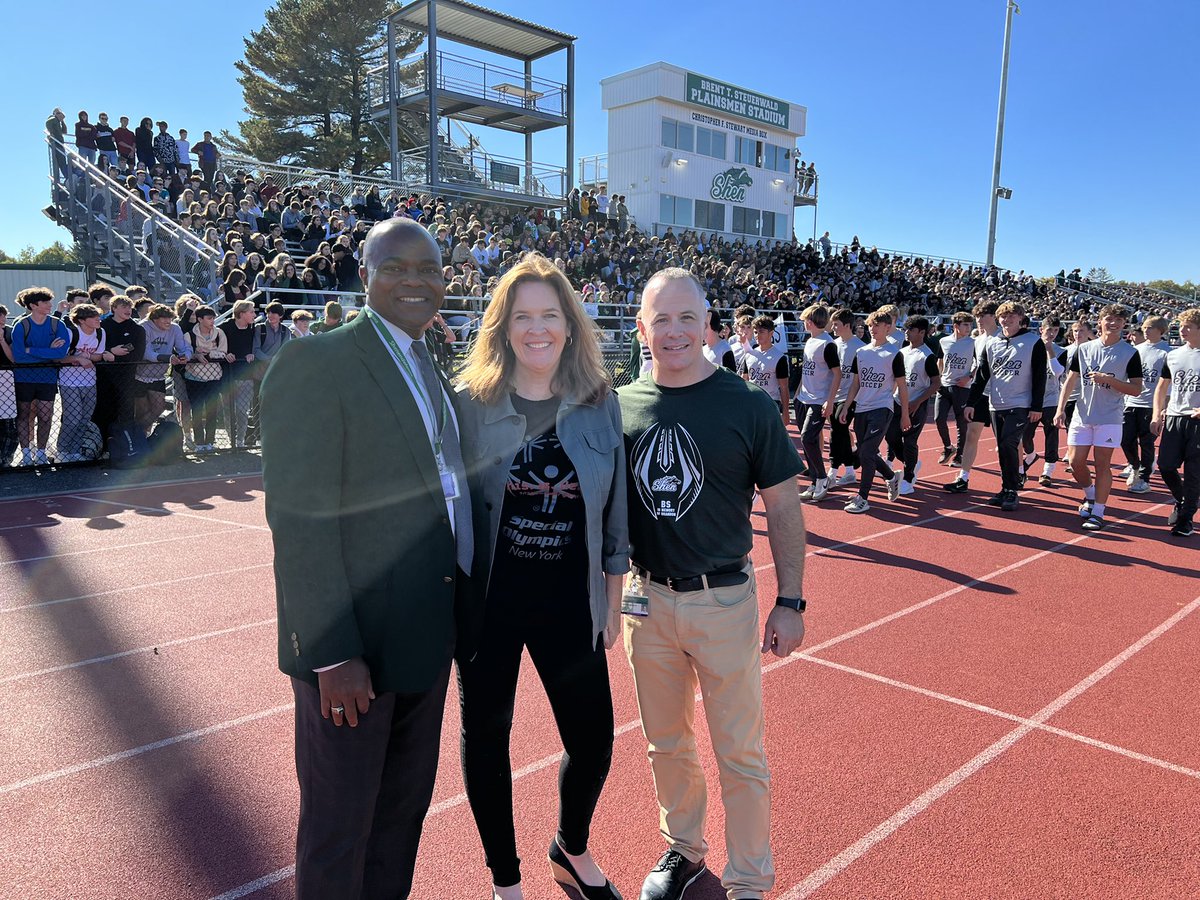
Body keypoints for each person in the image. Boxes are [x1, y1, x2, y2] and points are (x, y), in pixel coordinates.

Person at [259, 217, 482, 900]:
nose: (414, 280)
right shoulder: (317, 362)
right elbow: (299, 520)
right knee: (338, 829)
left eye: (428, 268)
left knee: (398, 819)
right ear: (363, 276)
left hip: (424, 634)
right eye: (396, 267)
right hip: (354, 650)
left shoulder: (427, 362)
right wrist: (331, 653)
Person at [618, 268, 807, 900]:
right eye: (660, 320)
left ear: (707, 323)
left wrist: (789, 601)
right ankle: (684, 849)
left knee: (739, 752)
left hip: (722, 599)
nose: (673, 331)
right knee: (664, 743)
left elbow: (783, 506)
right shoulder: (621, 406)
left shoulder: (746, 405)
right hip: (645, 602)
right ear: (641, 328)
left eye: (685, 317)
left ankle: (750, 879)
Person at [455, 254, 627, 900]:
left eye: (549, 316)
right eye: (522, 315)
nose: (537, 329)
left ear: (569, 325)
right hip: (488, 606)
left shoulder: (598, 404)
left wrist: (611, 601)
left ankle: (570, 847)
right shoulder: (470, 403)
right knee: (488, 741)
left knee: (594, 742)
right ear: (502, 326)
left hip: (569, 604)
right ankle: (506, 883)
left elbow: (616, 517)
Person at [1054, 305, 1143, 531]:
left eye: (1119, 320)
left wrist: (1109, 380)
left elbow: (1136, 389)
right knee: (1075, 462)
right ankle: (1090, 494)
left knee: (1102, 464)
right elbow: (1070, 380)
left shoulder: (1130, 353)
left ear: (1124, 325)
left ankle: (1099, 512)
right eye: (1109, 319)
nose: (1113, 323)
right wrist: (1060, 408)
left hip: (1109, 417)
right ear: (1100, 322)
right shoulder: (1084, 349)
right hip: (1082, 415)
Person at [966, 303, 1047, 512]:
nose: (1007, 320)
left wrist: (1037, 406)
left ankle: (1012, 490)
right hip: (996, 403)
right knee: (1002, 447)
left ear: (1021, 318)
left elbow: (1040, 377)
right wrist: (971, 402)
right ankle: (1005, 488)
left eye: (1012, 316)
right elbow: (982, 375)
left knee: (1008, 444)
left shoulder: (1033, 342)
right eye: (1003, 316)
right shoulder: (992, 343)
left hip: (1021, 403)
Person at [839, 309, 910, 513]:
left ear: (888, 328)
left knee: (868, 451)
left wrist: (904, 414)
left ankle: (863, 497)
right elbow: (855, 383)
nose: (872, 329)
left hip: (882, 408)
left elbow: (902, 387)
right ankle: (890, 476)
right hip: (861, 408)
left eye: (877, 325)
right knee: (864, 452)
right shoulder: (861, 352)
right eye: (870, 325)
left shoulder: (894, 354)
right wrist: (846, 406)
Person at [1151, 307, 1200, 537]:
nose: (1182, 330)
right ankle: (1183, 500)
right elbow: (1161, 386)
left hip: (1197, 421)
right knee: (1166, 466)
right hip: (1174, 417)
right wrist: (1156, 413)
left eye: (1188, 326)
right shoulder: (1172, 355)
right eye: (1181, 326)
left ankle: (1185, 519)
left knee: (1193, 472)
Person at [943, 300, 999, 494]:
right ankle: (963, 478)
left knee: (1006, 441)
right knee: (971, 435)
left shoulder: (1003, 337)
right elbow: (978, 369)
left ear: (994, 317)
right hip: (982, 394)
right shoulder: (979, 340)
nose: (979, 321)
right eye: (977, 317)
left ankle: (1016, 475)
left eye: (982, 316)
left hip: (1003, 396)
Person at [10, 288, 70, 466]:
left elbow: (61, 352)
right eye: (44, 302)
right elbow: (19, 356)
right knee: (24, 416)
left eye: (49, 302)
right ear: (32, 305)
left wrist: (32, 350)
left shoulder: (57, 324)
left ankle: (42, 453)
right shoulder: (21, 325)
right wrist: (48, 351)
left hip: (48, 378)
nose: (50, 305)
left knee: (45, 416)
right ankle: (26, 454)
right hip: (23, 378)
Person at [886, 316, 941, 496]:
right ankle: (912, 463)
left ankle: (909, 478)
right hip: (896, 402)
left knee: (909, 441)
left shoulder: (928, 356)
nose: (906, 333)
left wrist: (917, 401)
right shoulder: (902, 352)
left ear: (922, 332)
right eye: (906, 329)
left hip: (916, 406)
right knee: (891, 437)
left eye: (911, 330)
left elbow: (935, 383)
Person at [794, 304, 842, 502]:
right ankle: (814, 480)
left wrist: (829, 402)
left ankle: (822, 478)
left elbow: (837, 374)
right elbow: (807, 371)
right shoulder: (810, 340)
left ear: (810, 322)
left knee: (807, 438)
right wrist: (797, 394)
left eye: (805, 320)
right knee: (808, 442)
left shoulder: (827, 344)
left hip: (818, 400)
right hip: (803, 398)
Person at [1121, 315, 1170, 494]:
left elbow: (1167, 384)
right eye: (1145, 327)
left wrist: (1163, 407)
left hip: (1151, 405)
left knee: (1147, 442)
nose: (1145, 330)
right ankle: (1135, 466)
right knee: (1125, 439)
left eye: (1150, 327)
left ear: (1160, 331)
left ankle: (1144, 478)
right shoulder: (1136, 350)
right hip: (1131, 401)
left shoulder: (1167, 352)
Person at [56, 303, 110, 461]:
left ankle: (75, 451)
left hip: (90, 381)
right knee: (73, 418)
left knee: (85, 418)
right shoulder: (70, 333)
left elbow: (98, 356)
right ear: (81, 320)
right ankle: (63, 450)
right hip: (69, 381)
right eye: (93, 317)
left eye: (98, 316)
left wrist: (85, 357)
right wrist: (77, 358)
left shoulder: (100, 332)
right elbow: (58, 357)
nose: (97, 319)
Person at [1023, 317, 1067, 487]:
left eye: (1055, 330)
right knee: (1026, 434)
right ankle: (1031, 454)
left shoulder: (1061, 351)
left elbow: (1057, 372)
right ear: (1041, 329)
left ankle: (1048, 470)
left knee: (1051, 434)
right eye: (1049, 330)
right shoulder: (1031, 347)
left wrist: (1050, 350)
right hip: (1031, 399)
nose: (1052, 333)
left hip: (1050, 400)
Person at [135, 304, 191, 432]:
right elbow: (145, 352)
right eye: (164, 318)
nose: (168, 322)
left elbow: (183, 347)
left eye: (170, 318)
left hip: (158, 375)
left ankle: (137, 432)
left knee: (158, 407)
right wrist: (167, 357)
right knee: (142, 410)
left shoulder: (175, 328)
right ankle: (141, 438)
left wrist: (185, 356)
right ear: (154, 319)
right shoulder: (144, 327)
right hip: (139, 375)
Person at [933, 312, 975, 465]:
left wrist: (969, 377)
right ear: (956, 326)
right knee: (939, 419)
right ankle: (948, 447)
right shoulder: (944, 341)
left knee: (961, 422)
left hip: (963, 387)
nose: (968, 328)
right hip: (945, 385)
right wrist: (939, 378)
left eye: (970, 325)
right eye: (965, 324)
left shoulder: (973, 343)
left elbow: (979, 364)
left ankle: (960, 455)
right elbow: (940, 360)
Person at [184, 306, 226, 453]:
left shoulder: (220, 333)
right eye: (209, 318)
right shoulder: (190, 335)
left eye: (213, 318)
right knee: (196, 410)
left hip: (214, 377)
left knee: (212, 411)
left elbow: (223, 353)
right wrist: (196, 355)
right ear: (200, 319)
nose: (212, 321)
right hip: (194, 378)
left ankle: (210, 442)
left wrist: (207, 353)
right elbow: (187, 353)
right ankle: (199, 443)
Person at [741, 314, 791, 428]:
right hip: (752, 402)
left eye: (761, 331)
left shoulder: (779, 357)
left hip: (770, 402)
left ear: (771, 333)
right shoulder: (749, 354)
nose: (758, 335)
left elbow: (784, 387)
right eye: (755, 332)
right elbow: (745, 380)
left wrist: (786, 412)